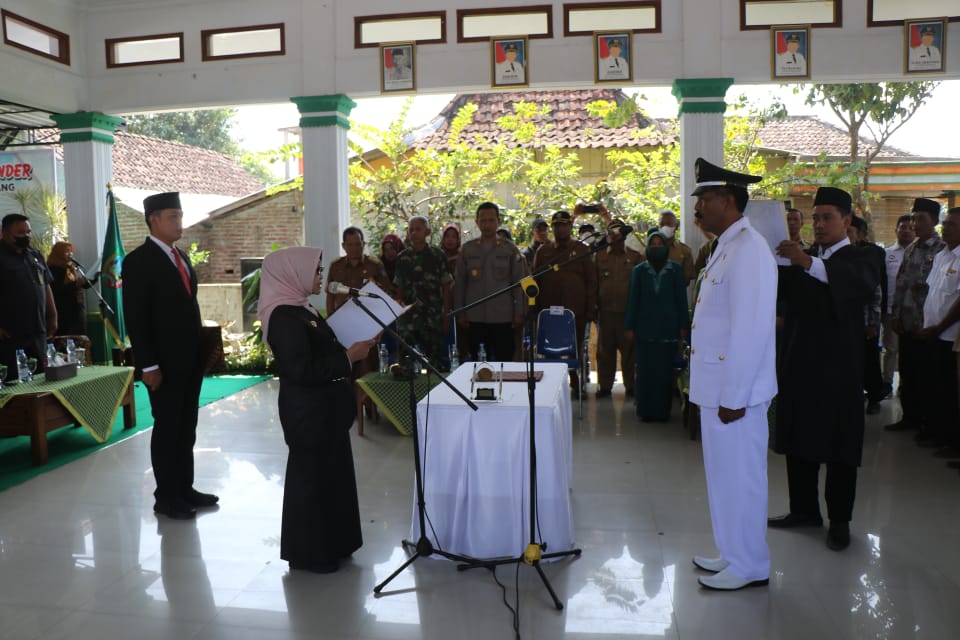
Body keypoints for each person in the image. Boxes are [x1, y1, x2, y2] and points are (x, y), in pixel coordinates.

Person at [771, 186, 880, 552]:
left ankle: (839, 521)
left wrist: (804, 262)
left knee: (838, 447)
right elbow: (781, 290)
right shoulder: (806, 256)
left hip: (839, 373)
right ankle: (804, 510)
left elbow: (855, 286)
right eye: (815, 217)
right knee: (799, 438)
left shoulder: (861, 258)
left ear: (847, 221)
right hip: (800, 364)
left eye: (826, 217)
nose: (818, 225)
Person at [687, 157, 775, 591]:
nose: (697, 206)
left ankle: (751, 564)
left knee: (742, 477)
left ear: (727, 200)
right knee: (723, 476)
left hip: (734, 394)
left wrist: (735, 396)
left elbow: (751, 328)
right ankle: (732, 553)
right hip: (716, 388)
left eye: (704, 198)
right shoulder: (727, 245)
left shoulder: (751, 249)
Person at [257, 246, 373, 573]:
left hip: (326, 412)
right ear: (292, 273)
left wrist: (353, 346)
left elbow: (322, 351)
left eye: (321, 270)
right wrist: (348, 357)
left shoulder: (303, 308)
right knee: (311, 483)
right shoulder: (282, 316)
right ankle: (310, 554)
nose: (321, 277)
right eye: (317, 270)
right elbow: (302, 371)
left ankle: (337, 543)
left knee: (332, 478)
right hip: (308, 414)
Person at [123, 192, 215, 520]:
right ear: (154, 220)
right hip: (161, 363)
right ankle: (166, 496)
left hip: (190, 360)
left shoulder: (181, 257)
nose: (180, 222)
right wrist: (148, 365)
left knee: (186, 425)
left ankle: (184, 487)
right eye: (173, 217)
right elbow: (137, 318)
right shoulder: (138, 262)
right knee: (168, 427)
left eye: (180, 215)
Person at [886, 198, 945, 434]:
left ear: (934, 221)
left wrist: (930, 322)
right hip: (907, 322)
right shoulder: (911, 248)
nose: (915, 224)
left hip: (928, 324)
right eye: (913, 218)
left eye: (921, 218)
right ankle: (909, 417)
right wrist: (896, 314)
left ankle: (927, 423)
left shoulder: (941, 249)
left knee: (927, 376)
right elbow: (901, 283)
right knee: (908, 372)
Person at [623, 231, 689, 421]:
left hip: (668, 328)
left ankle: (662, 412)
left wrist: (683, 325)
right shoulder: (639, 270)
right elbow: (633, 301)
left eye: (661, 244)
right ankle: (645, 411)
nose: (657, 247)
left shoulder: (676, 270)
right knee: (645, 372)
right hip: (644, 329)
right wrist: (629, 326)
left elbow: (681, 300)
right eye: (654, 244)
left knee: (664, 373)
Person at [532, 210, 597, 392]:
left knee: (574, 349)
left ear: (570, 227)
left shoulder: (582, 250)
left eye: (564, 225)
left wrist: (590, 308)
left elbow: (592, 281)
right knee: (550, 350)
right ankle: (550, 387)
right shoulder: (543, 251)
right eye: (557, 225)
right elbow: (534, 280)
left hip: (576, 312)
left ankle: (577, 384)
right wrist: (534, 309)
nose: (560, 229)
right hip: (549, 312)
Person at [914, 208, 960, 455]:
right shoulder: (942, 255)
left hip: (950, 337)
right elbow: (932, 294)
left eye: (952, 224)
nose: (946, 228)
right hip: (932, 332)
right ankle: (937, 433)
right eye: (945, 223)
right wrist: (925, 322)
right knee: (934, 388)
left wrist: (938, 327)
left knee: (950, 393)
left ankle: (952, 442)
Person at [454, 202, 525, 362]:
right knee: (478, 365)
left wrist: (519, 312)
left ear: (498, 222)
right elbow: (460, 284)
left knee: (504, 363)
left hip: (503, 317)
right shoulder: (467, 250)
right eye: (483, 220)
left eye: (491, 220)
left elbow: (519, 283)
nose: (487, 225)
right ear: (477, 222)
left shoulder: (510, 249)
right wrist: (460, 312)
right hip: (475, 317)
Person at [0, 213, 57, 378]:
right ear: (3, 232)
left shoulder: (35, 255)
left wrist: (53, 316)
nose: (26, 236)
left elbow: (45, 285)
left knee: (41, 378)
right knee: (14, 382)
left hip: (38, 331)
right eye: (20, 233)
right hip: (10, 335)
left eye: (28, 232)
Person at [394, 216, 451, 367]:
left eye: (418, 229)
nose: (414, 233)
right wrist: (398, 315)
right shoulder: (402, 257)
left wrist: (445, 315)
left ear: (427, 232)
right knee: (406, 363)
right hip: (408, 318)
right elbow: (399, 288)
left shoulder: (438, 256)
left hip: (432, 317)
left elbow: (446, 287)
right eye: (411, 229)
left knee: (433, 366)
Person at [595, 219, 641, 398]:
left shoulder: (635, 256)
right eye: (611, 234)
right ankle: (605, 386)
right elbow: (594, 283)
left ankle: (631, 386)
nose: (614, 238)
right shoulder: (599, 257)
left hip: (627, 313)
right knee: (605, 351)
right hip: (605, 312)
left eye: (618, 234)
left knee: (629, 351)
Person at [849, 216, 889, 414]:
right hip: (845, 324)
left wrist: (873, 322)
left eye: (850, 232)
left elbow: (876, 290)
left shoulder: (868, 255)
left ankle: (874, 397)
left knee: (870, 360)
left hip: (866, 321)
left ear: (860, 235)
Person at [881, 215, 915, 390]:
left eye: (910, 227)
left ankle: (904, 384)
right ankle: (886, 383)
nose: (907, 231)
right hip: (890, 310)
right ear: (896, 230)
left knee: (908, 351)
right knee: (891, 348)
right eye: (903, 227)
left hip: (913, 312)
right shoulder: (886, 254)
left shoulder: (920, 254)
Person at [326, 227, 392, 313]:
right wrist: (330, 319)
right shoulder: (336, 266)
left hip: (369, 315)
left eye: (358, 244)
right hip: (343, 315)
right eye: (350, 245)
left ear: (363, 244)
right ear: (343, 246)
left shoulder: (375, 265)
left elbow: (386, 292)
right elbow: (330, 295)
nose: (354, 248)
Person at [47, 241, 91, 336]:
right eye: (67, 251)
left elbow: (81, 286)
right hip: (64, 313)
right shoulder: (53, 270)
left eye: (71, 251)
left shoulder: (71, 269)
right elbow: (56, 291)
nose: (70, 254)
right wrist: (75, 284)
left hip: (76, 311)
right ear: (58, 253)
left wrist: (95, 276)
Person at [657, 209, 696, 284]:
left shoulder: (684, 251)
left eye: (668, 224)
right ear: (657, 226)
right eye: (662, 224)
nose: (665, 227)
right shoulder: (649, 250)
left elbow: (686, 280)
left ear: (676, 226)